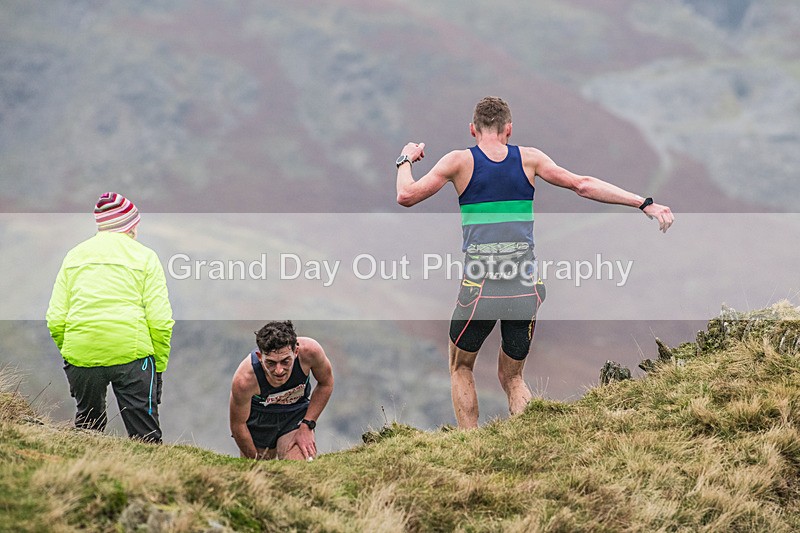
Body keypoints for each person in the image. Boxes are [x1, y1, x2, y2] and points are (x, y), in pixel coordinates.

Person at [395, 96, 674, 429]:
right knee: (513, 376)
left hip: (480, 287)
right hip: (523, 285)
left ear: (473, 130)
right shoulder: (530, 159)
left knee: (461, 367)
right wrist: (644, 203)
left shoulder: (458, 162)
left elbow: (406, 196)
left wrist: (405, 160)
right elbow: (583, 185)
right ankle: (529, 438)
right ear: (509, 129)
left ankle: (468, 446)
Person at [46, 192, 174, 442]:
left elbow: (55, 318)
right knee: (145, 435)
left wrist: (72, 352)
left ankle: (80, 476)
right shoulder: (145, 257)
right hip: (133, 354)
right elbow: (160, 321)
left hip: (81, 352)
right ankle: (150, 479)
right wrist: (157, 367)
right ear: (131, 226)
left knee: (87, 427)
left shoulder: (74, 255)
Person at [229, 321, 334, 460]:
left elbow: (326, 383)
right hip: (259, 420)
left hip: (295, 413)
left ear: (296, 352)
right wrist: (255, 461)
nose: (279, 370)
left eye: (285, 361)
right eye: (271, 363)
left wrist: (307, 425)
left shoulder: (310, 352)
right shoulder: (244, 380)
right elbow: (238, 425)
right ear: (260, 357)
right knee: (258, 475)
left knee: (299, 470)